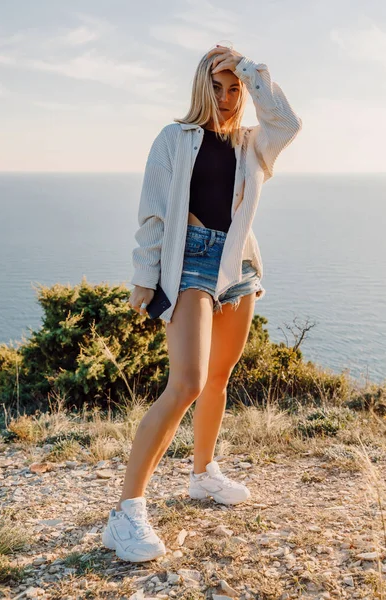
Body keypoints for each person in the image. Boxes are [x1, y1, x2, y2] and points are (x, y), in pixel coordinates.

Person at [102, 43, 302, 563]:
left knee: (218, 377)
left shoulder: (254, 143)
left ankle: (202, 474)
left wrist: (251, 69)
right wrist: (145, 278)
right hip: (187, 261)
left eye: (235, 88)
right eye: (218, 86)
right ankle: (125, 513)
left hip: (236, 267)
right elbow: (153, 214)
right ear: (199, 87)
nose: (228, 97)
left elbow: (289, 122)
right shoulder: (175, 139)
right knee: (186, 382)